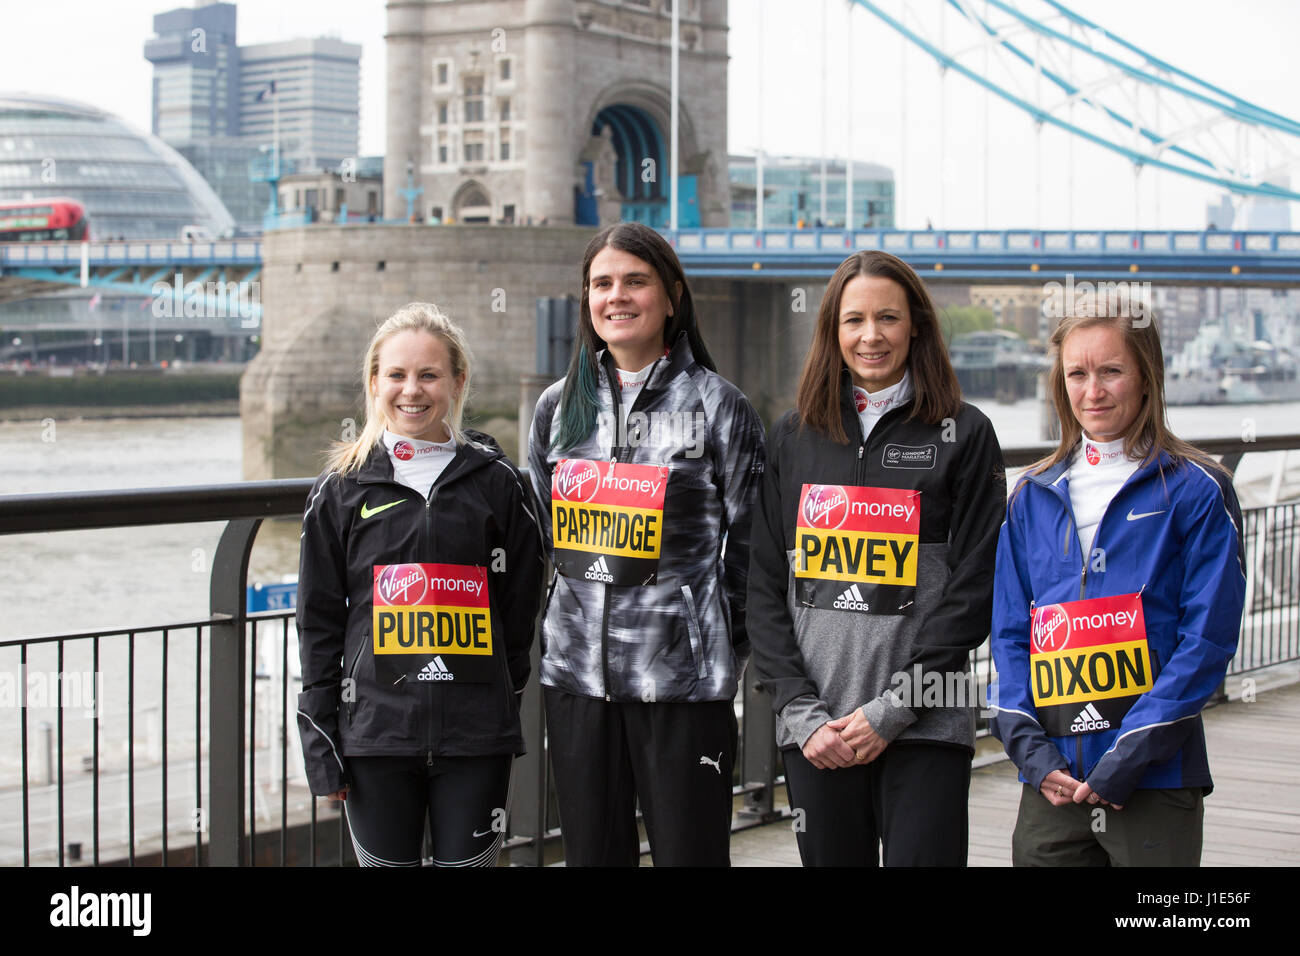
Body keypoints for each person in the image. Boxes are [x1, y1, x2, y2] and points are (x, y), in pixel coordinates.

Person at [747, 250, 1006, 866]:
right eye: (853, 319)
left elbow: (976, 588)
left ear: (914, 324)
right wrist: (802, 713)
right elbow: (762, 586)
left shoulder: (964, 434)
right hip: (819, 734)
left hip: (925, 724)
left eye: (887, 318)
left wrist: (896, 708)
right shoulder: (792, 437)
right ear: (832, 331)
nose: (870, 336)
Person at [527, 221, 766, 866]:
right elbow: (543, 539)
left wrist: (713, 648)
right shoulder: (557, 408)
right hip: (577, 681)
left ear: (672, 297)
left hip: (683, 687)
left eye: (636, 281)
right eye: (601, 283)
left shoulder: (720, 407)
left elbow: (750, 553)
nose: (617, 296)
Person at [988, 294, 1246, 866]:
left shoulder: (1199, 490)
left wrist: (1131, 752)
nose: (1093, 391)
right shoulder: (1031, 495)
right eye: (1077, 373)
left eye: (1111, 371)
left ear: (1147, 376)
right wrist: (1033, 755)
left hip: (1153, 777)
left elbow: (1207, 639)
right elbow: (1009, 635)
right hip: (1051, 781)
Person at [296, 302, 544, 867]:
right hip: (375, 736)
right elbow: (318, 623)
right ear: (374, 383)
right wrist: (321, 738)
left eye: (429, 374)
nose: (413, 390)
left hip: (475, 738)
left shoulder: (499, 484)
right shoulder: (340, 489)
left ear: (458, 381)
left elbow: (519, 608)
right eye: (397, 375)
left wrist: (496, 700)